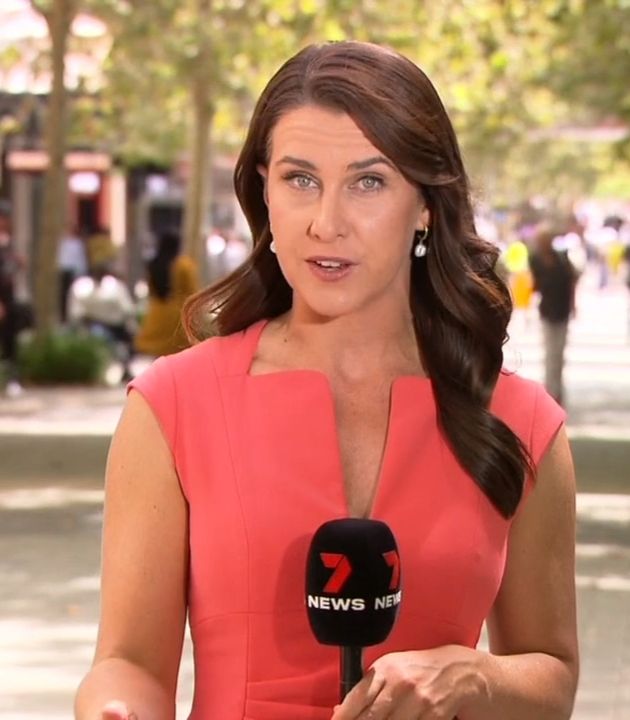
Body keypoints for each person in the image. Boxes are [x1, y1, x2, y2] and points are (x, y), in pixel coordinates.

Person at [75, 41, 579, 720]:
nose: (326, 223)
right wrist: (115, 710)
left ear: (426, 205)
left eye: (368, 182)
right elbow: (129, 661)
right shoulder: (174, 405)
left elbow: (552, 676)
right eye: (300, 179)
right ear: (265, 190)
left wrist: (475, 677)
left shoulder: (522, 422)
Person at [528, 227, 579, 406]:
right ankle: (551, 392)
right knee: (550, 352)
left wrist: (573, 304)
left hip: (562, 309)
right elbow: (534, 285)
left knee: (559, 352)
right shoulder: (535, 259)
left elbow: (571, 281)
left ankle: (557, 390)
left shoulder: (562, 258)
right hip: (547, 310)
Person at [68, 264, 137, 383]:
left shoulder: (115, 286)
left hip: (117, 325)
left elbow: (127, 309)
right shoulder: (81, 287)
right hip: (94, 325)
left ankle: (125, 368)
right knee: (100, 335)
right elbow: (76, 312)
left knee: (128, 343)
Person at [133, 229, 198, 357]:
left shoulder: (153, 264)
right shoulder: (184, 265)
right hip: (177, 319)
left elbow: (151, 291)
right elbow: (192, 292)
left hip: (156, 314)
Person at [57, 226, 88, 323]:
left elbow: (80, 259)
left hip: (74, 272)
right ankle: (64, 317)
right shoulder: (63, 242)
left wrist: (81, 272)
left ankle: (72, 316)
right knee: (64, 295)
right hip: (64, 271)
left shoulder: (78, 244)